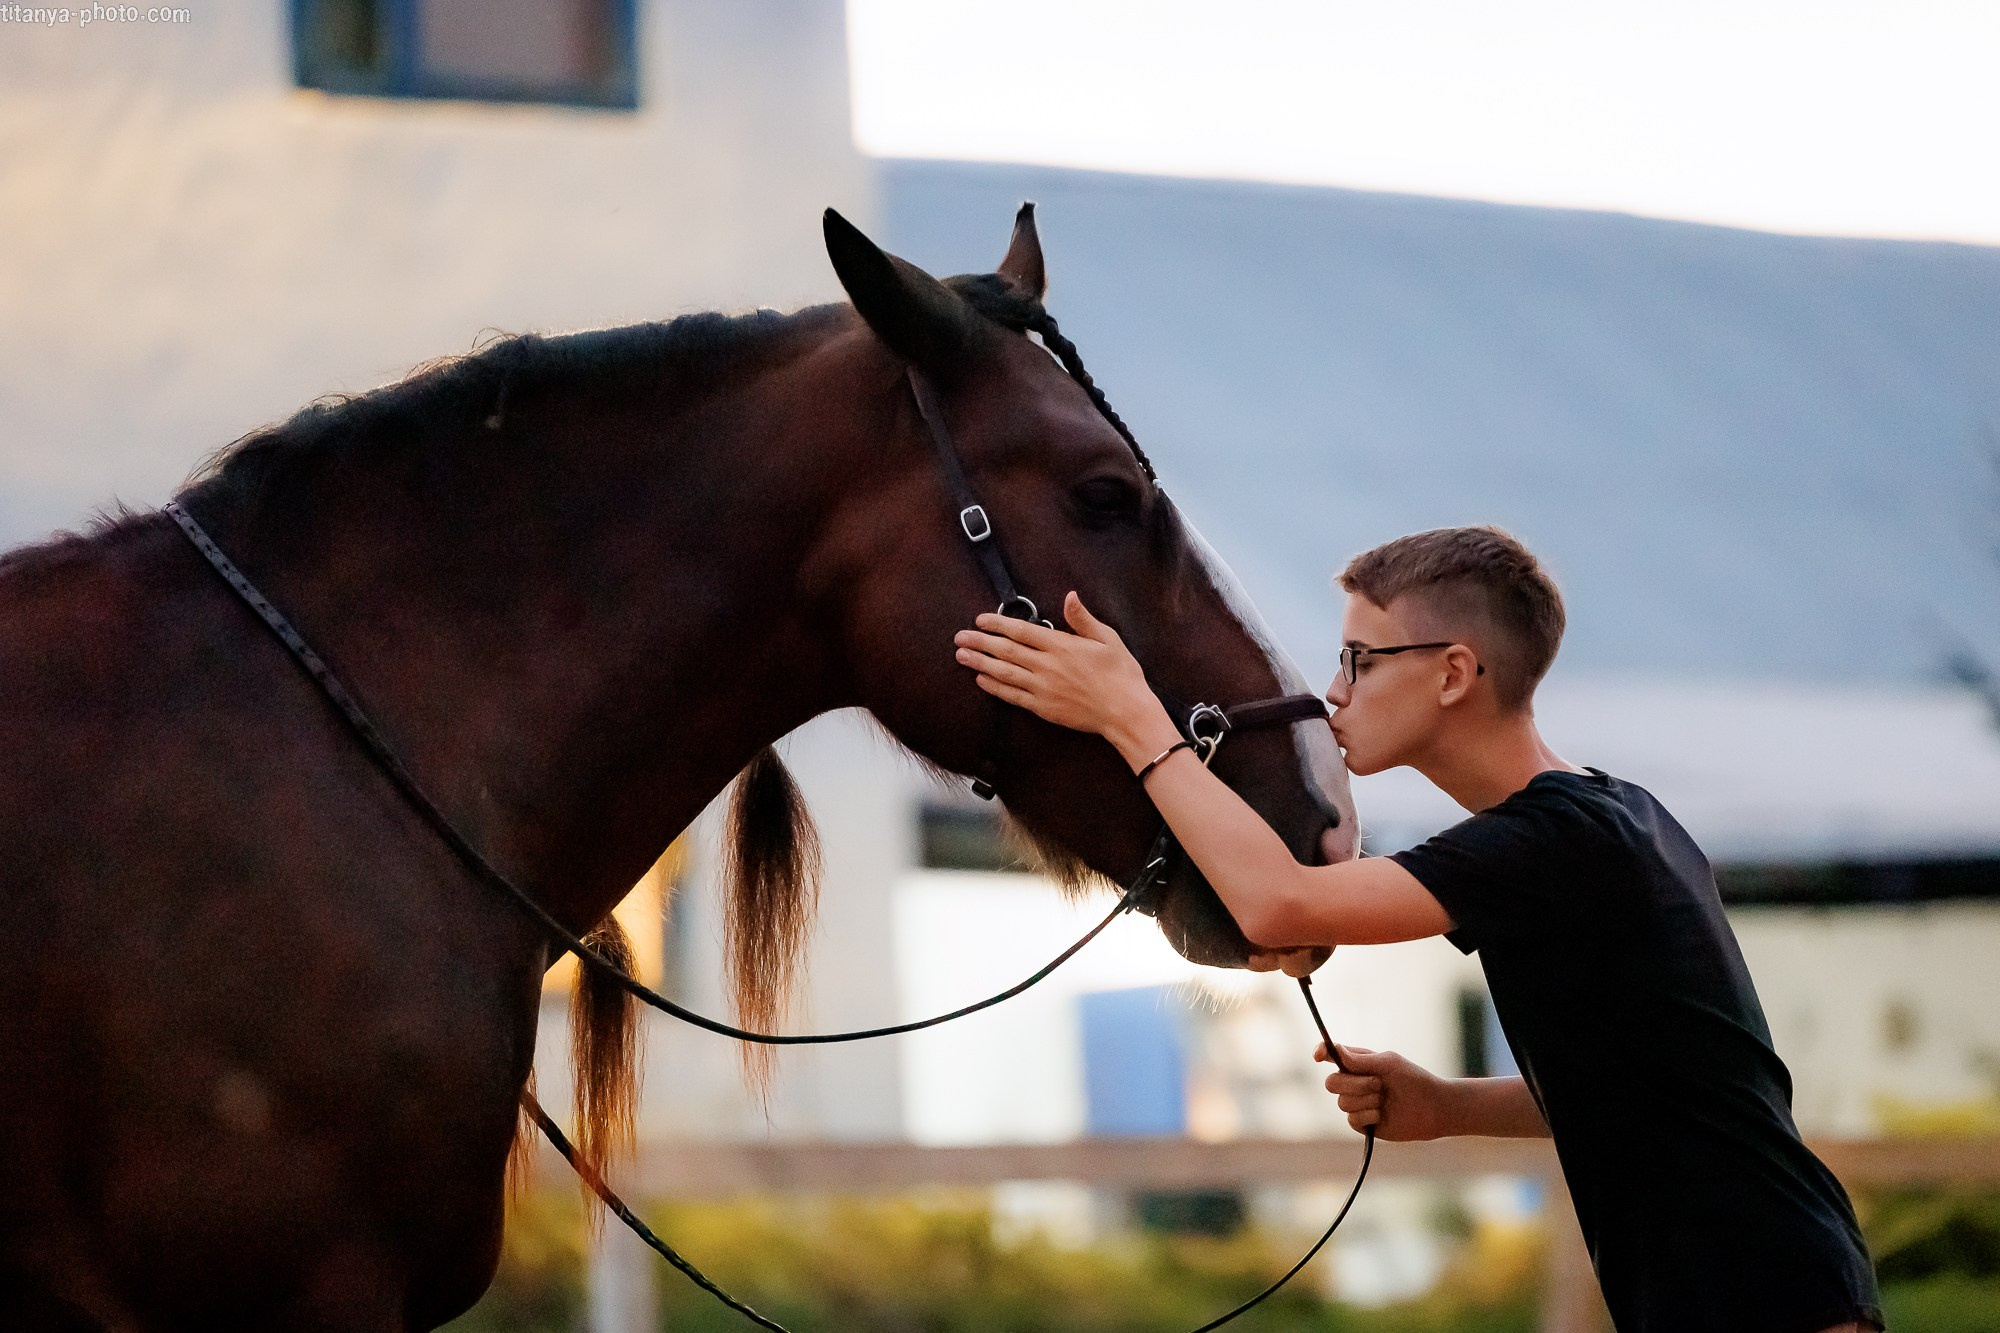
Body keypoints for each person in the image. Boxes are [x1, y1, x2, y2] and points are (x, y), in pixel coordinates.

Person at [953, 525, 1882, 1333]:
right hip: (1759, 1284)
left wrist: (1130, 717)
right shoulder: (1606, 821)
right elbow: (1650, 1087)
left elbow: (1277, 904)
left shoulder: (1554, 840)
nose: (1332, 691)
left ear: (1453, 673)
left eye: (1361, 658)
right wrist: (1447, 1106)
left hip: (1763, 1298)